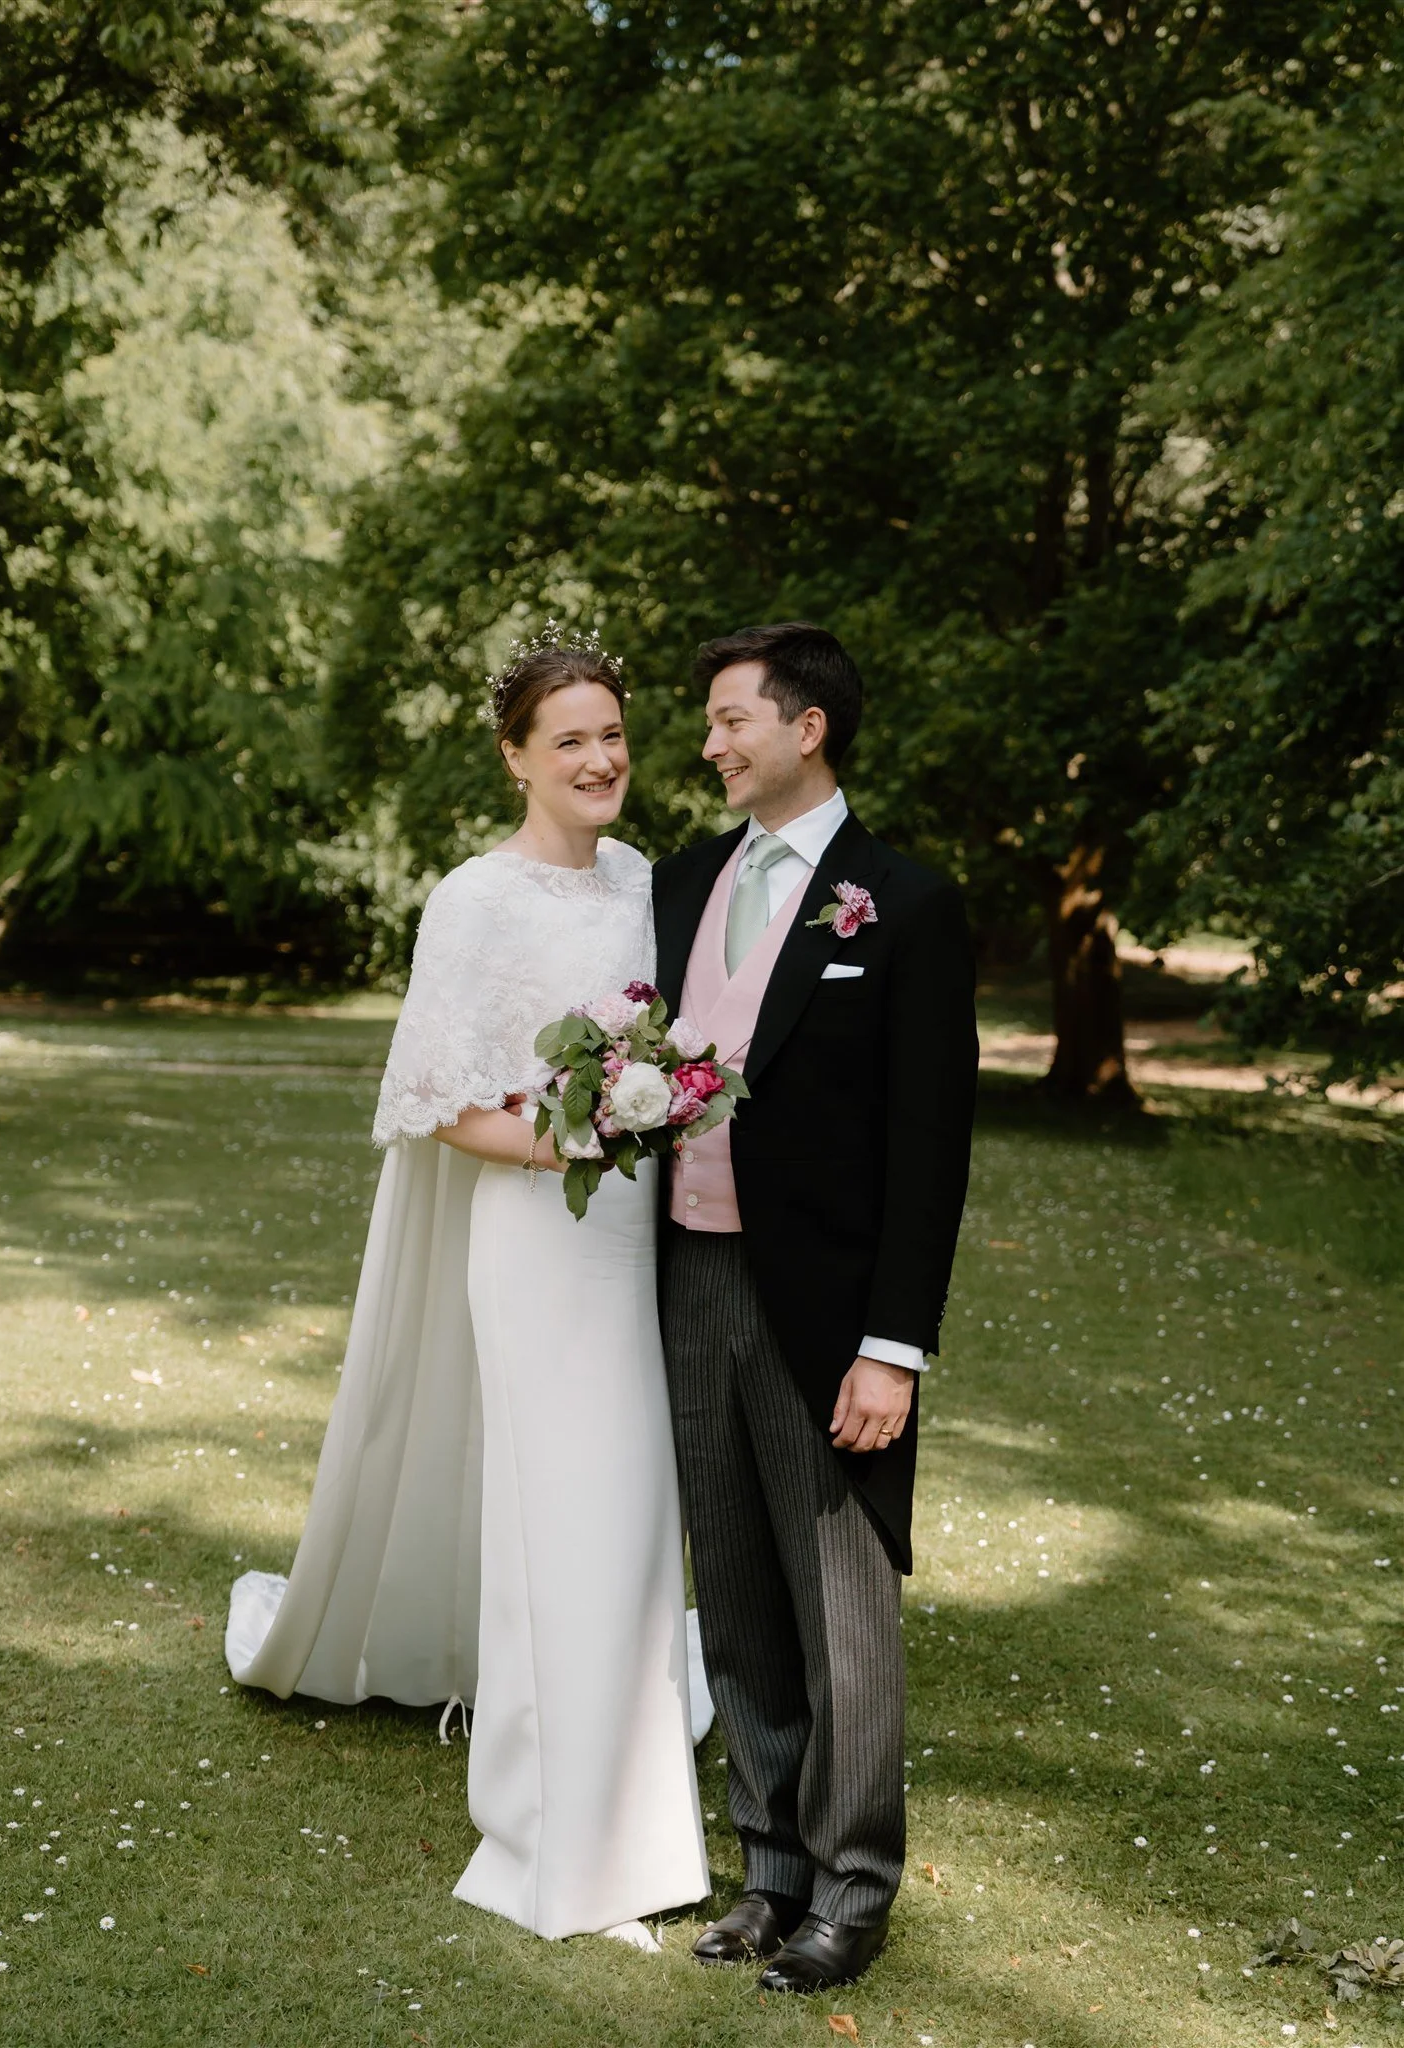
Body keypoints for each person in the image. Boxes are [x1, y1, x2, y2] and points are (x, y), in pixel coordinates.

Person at [226, 631, 709, 1950]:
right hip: (538, 1238)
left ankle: (631, 1800)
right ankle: (546, 1829)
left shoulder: (646, 881)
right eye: (570, 740)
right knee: (556, 1510)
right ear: (515, 758)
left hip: (642, 1236)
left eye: (613, 734)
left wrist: (658, 1105)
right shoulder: (473, 900)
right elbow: (435, 1102)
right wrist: (583, 1137)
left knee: (632, 1514)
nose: (600, 759)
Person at [653, 622, 978, 1993]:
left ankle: (852, 1889)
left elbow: (930, 1146)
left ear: (807, 728)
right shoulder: (679, 884)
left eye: (731, 719)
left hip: (830, 1311)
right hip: (684, 1277)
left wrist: (891, 1349)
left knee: (841, 1607)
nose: (709, 745)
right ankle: (769, 1871)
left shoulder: (903, 904)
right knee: (732, 1591)